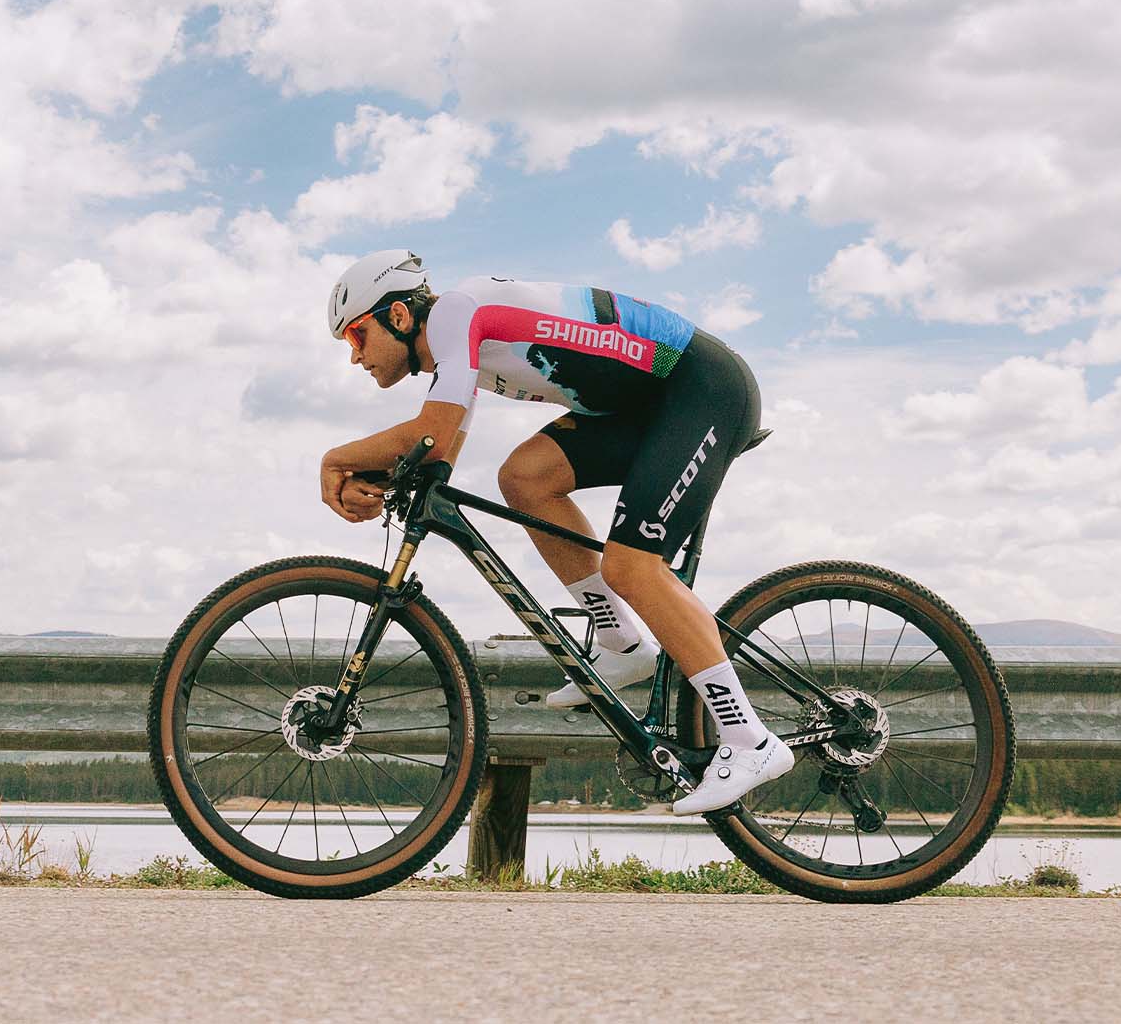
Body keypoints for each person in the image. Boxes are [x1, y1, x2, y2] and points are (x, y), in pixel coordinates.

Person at [317, 249, 792, 815]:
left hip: (701, 389)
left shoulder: (455, 314)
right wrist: (380, 473)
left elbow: (435, 435)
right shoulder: (456, 340)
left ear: (398, 316)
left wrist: (335, 458)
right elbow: (440, 449)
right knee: (525, 477)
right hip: (648, 405)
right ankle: (620, 643)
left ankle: (750, 740)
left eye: (356, 336)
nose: (355, 357)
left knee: (632, 567)